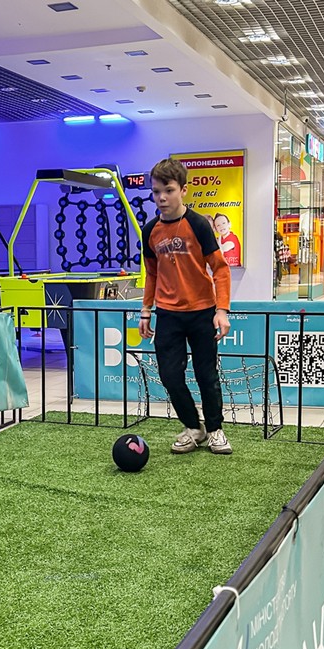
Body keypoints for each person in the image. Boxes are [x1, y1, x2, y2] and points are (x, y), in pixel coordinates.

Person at [139, 158, 233, 454]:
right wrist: (146, 310)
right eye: (156, 192)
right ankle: (194, 427)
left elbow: (220, 269)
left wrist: (222, 310)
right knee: (169, 375)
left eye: (168, 190)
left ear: (183, 190)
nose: (162, 198)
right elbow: (151, 274)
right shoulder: (150, 230)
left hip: (202, 311)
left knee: (206, 375)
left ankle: (215, 429)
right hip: (168, 315)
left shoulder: (198, 225)